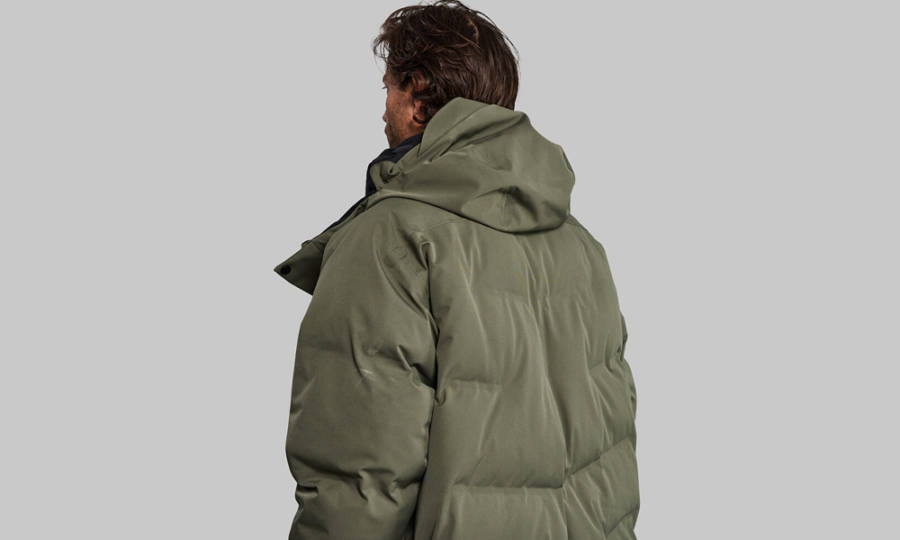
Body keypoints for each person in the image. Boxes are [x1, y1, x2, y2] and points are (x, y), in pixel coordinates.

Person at [273, 1, 639, 538]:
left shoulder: (390, 239)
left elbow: (360, 477)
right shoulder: (579, 242)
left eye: (388, 88)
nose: (383, 111)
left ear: (419, 97)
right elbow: (611, 441)